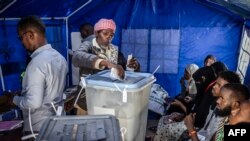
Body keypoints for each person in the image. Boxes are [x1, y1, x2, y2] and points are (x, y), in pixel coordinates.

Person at [9, 15, 68, 137]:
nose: (21, 43)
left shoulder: (36, 64)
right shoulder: (60, 58)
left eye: (21, 38)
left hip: (40, 129)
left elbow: (33, 103)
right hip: (59, 122)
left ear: (30, 35)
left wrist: (14, 100)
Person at [72, 19, 140, 79]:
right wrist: (105, 62)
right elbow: (76, 57)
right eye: (105, 33)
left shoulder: (115, 51)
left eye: (111, 35)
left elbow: (124, 71)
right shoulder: (89, 45)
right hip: (89, 90)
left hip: (108, 90)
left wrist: (133, 67)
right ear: (96, 33)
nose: (108, 37)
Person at [184, 71, 241, 141]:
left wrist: (191, 129)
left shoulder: (230, 124)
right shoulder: (217, 104)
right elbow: (206, 131)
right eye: (216, 83)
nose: (214, 86)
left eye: (219, 85)